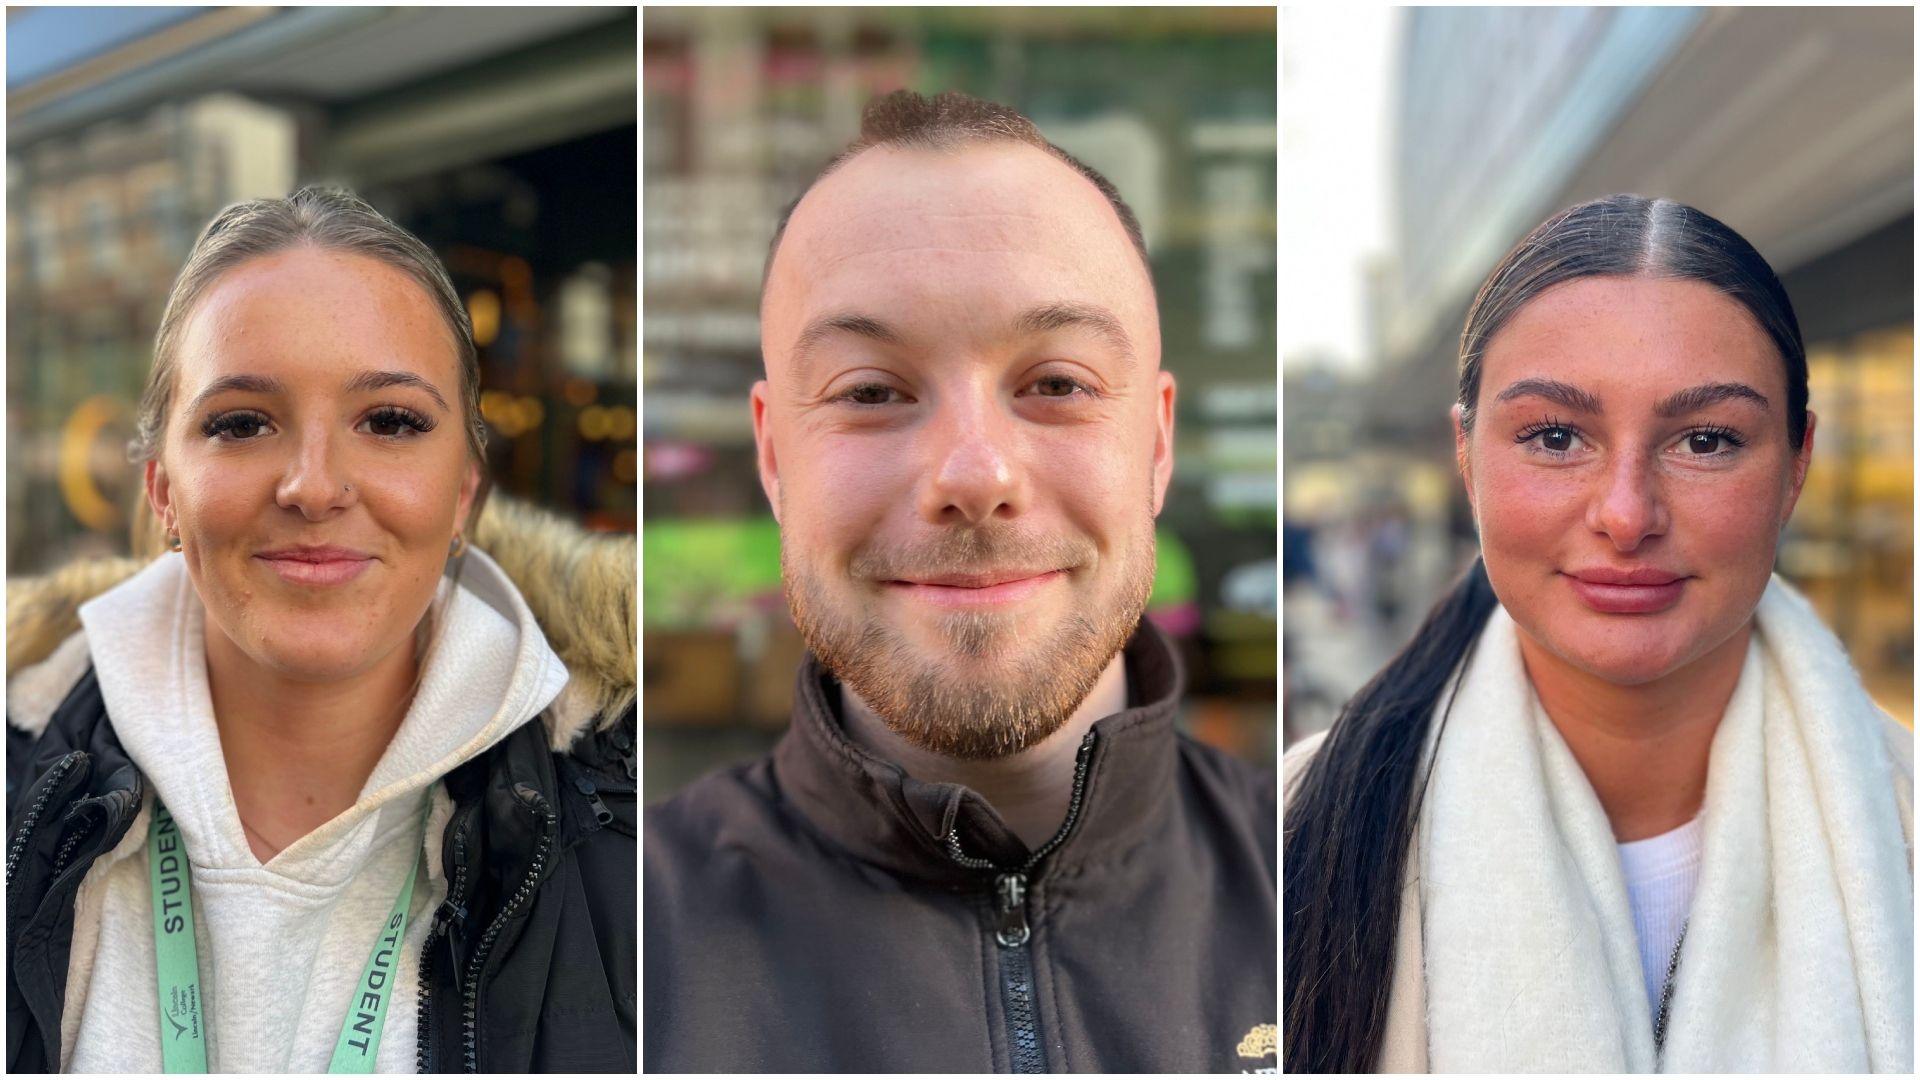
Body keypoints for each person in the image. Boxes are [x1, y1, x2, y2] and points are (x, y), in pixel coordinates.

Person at [644, 90, 1277, 1072]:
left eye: (1057, 384)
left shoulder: (1337, 893)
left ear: (1156, 443)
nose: (973, 474)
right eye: (871, 392)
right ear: (774, 460)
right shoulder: (608, 939)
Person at [4, 188, 637, 1073]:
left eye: (389, 422)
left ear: (462, 492)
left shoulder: (646, 846)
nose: (313, 485)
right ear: (162, 492)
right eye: (242, 423)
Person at [1282, 195, 1914, 1073]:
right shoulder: (1290, 833)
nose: (1626, 515)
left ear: (1797, 466)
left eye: (1705, 439)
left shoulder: (1905, 826)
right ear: (1466, 459)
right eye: (1553, 436)